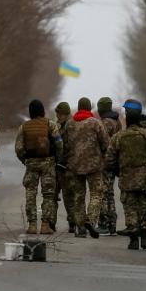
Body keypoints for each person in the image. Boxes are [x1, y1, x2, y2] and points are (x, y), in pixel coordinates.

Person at [105, 99, 146, 250]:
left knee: (130, 208)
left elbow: (109, 159)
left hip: (127, 179)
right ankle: (145, 239)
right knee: (145, 208)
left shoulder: (119, 137)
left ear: (127, 118)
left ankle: (133, 240)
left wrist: (116, 171)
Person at [15, 100, 63, 235]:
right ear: (42, 111)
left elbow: (18, 148)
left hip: (31, 164)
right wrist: (57, 160)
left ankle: (32, 225)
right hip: (48, 163)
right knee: (48, 195)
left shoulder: (24, 127)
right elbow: (59, 144)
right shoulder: (50, 125)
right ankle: (45, 225)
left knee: (30, 194)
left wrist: (25, 160)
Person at [63, 97, 109, 238]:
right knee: (96, 193)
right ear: (89, 108)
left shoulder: (69, 124)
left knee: (78, 196)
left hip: (74, 166)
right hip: (94, 165)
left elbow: (64, 144)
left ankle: (81, 227)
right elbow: (105, 143)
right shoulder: (96, 123)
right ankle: (91, 219)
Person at [97, 97, 121, 235]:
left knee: (103, 193)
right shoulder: (117, 121)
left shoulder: (105, 122)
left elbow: (103, 143)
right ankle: (112, 225)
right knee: (110, 193)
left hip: (104, 162)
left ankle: (104, 224)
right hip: (113, 162)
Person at [53, 102, 76, 233]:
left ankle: (72, 222)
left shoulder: (71, 125)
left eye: (59, 114)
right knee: (53, 196)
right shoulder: (58, 125)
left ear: (65, 114)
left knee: (68, 196)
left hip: (67, 166)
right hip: (58, 165)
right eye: (56, 114)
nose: (57, 116)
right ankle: (51, 223)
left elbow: (71, 146)